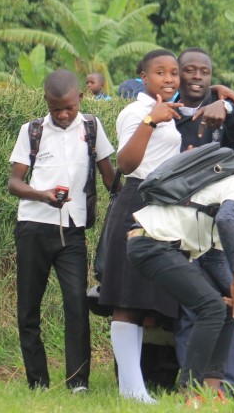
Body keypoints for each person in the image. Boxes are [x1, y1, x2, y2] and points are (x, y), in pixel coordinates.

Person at [128, 146, 234, 404]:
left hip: (161, 247)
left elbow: (214, 256)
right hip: (151, 242)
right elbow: (226, 221)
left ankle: (212, 390)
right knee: (211, 307)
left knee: (227, 308)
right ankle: (189, 391)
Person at [8, 69, 116, 393]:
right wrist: (42, 194)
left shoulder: (92, 129)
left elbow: (111, 180)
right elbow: (14, 183)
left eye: (68, 107)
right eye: (56, 109)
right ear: (47, 102)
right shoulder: (32, 131)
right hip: (33, 228)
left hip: (72, 231)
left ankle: (78, 382)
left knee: (76, 304)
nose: (63, 114)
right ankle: (38, 381)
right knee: (29, 307)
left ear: (80, 98)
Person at [98, 49, 184, 403]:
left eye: (174, 73)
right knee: (126, 299)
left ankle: (132, 388)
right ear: (143, 77)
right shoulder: (135, 111)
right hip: (137, 201)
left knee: (144, 300)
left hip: (163, 206)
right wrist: (150, 121)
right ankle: (131, 389)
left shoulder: (173, 112)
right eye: (160, 72)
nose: (169, 79)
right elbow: (128, 163)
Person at [173, 46, 234, 390]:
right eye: (188, 70)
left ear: (211, 74)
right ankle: (191, 385)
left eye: (203, 72)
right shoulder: (168, 111)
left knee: (230, 306)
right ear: (178, 74)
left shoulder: (230, 105)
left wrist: (228, 105)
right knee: (192, 308)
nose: (196, 77)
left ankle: (226, 385)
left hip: (223, 227)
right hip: (184, 225)